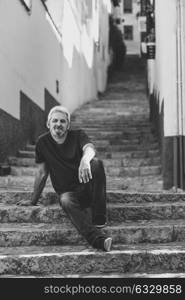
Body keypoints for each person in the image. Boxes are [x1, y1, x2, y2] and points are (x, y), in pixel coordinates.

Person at [17, 105, 112, 252]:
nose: (58, 124)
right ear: (48, 124)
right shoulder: (42, 143)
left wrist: (85, 160)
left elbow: (89, 148)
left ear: (68, 125)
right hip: (68, 193)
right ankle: (98, 240)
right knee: (65, 200)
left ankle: (99, 215)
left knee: (96, 164)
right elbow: (42, 173)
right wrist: (32, 201)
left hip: (87, 187)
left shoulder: (78, 135)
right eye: (55, 121)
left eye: (62, 121)